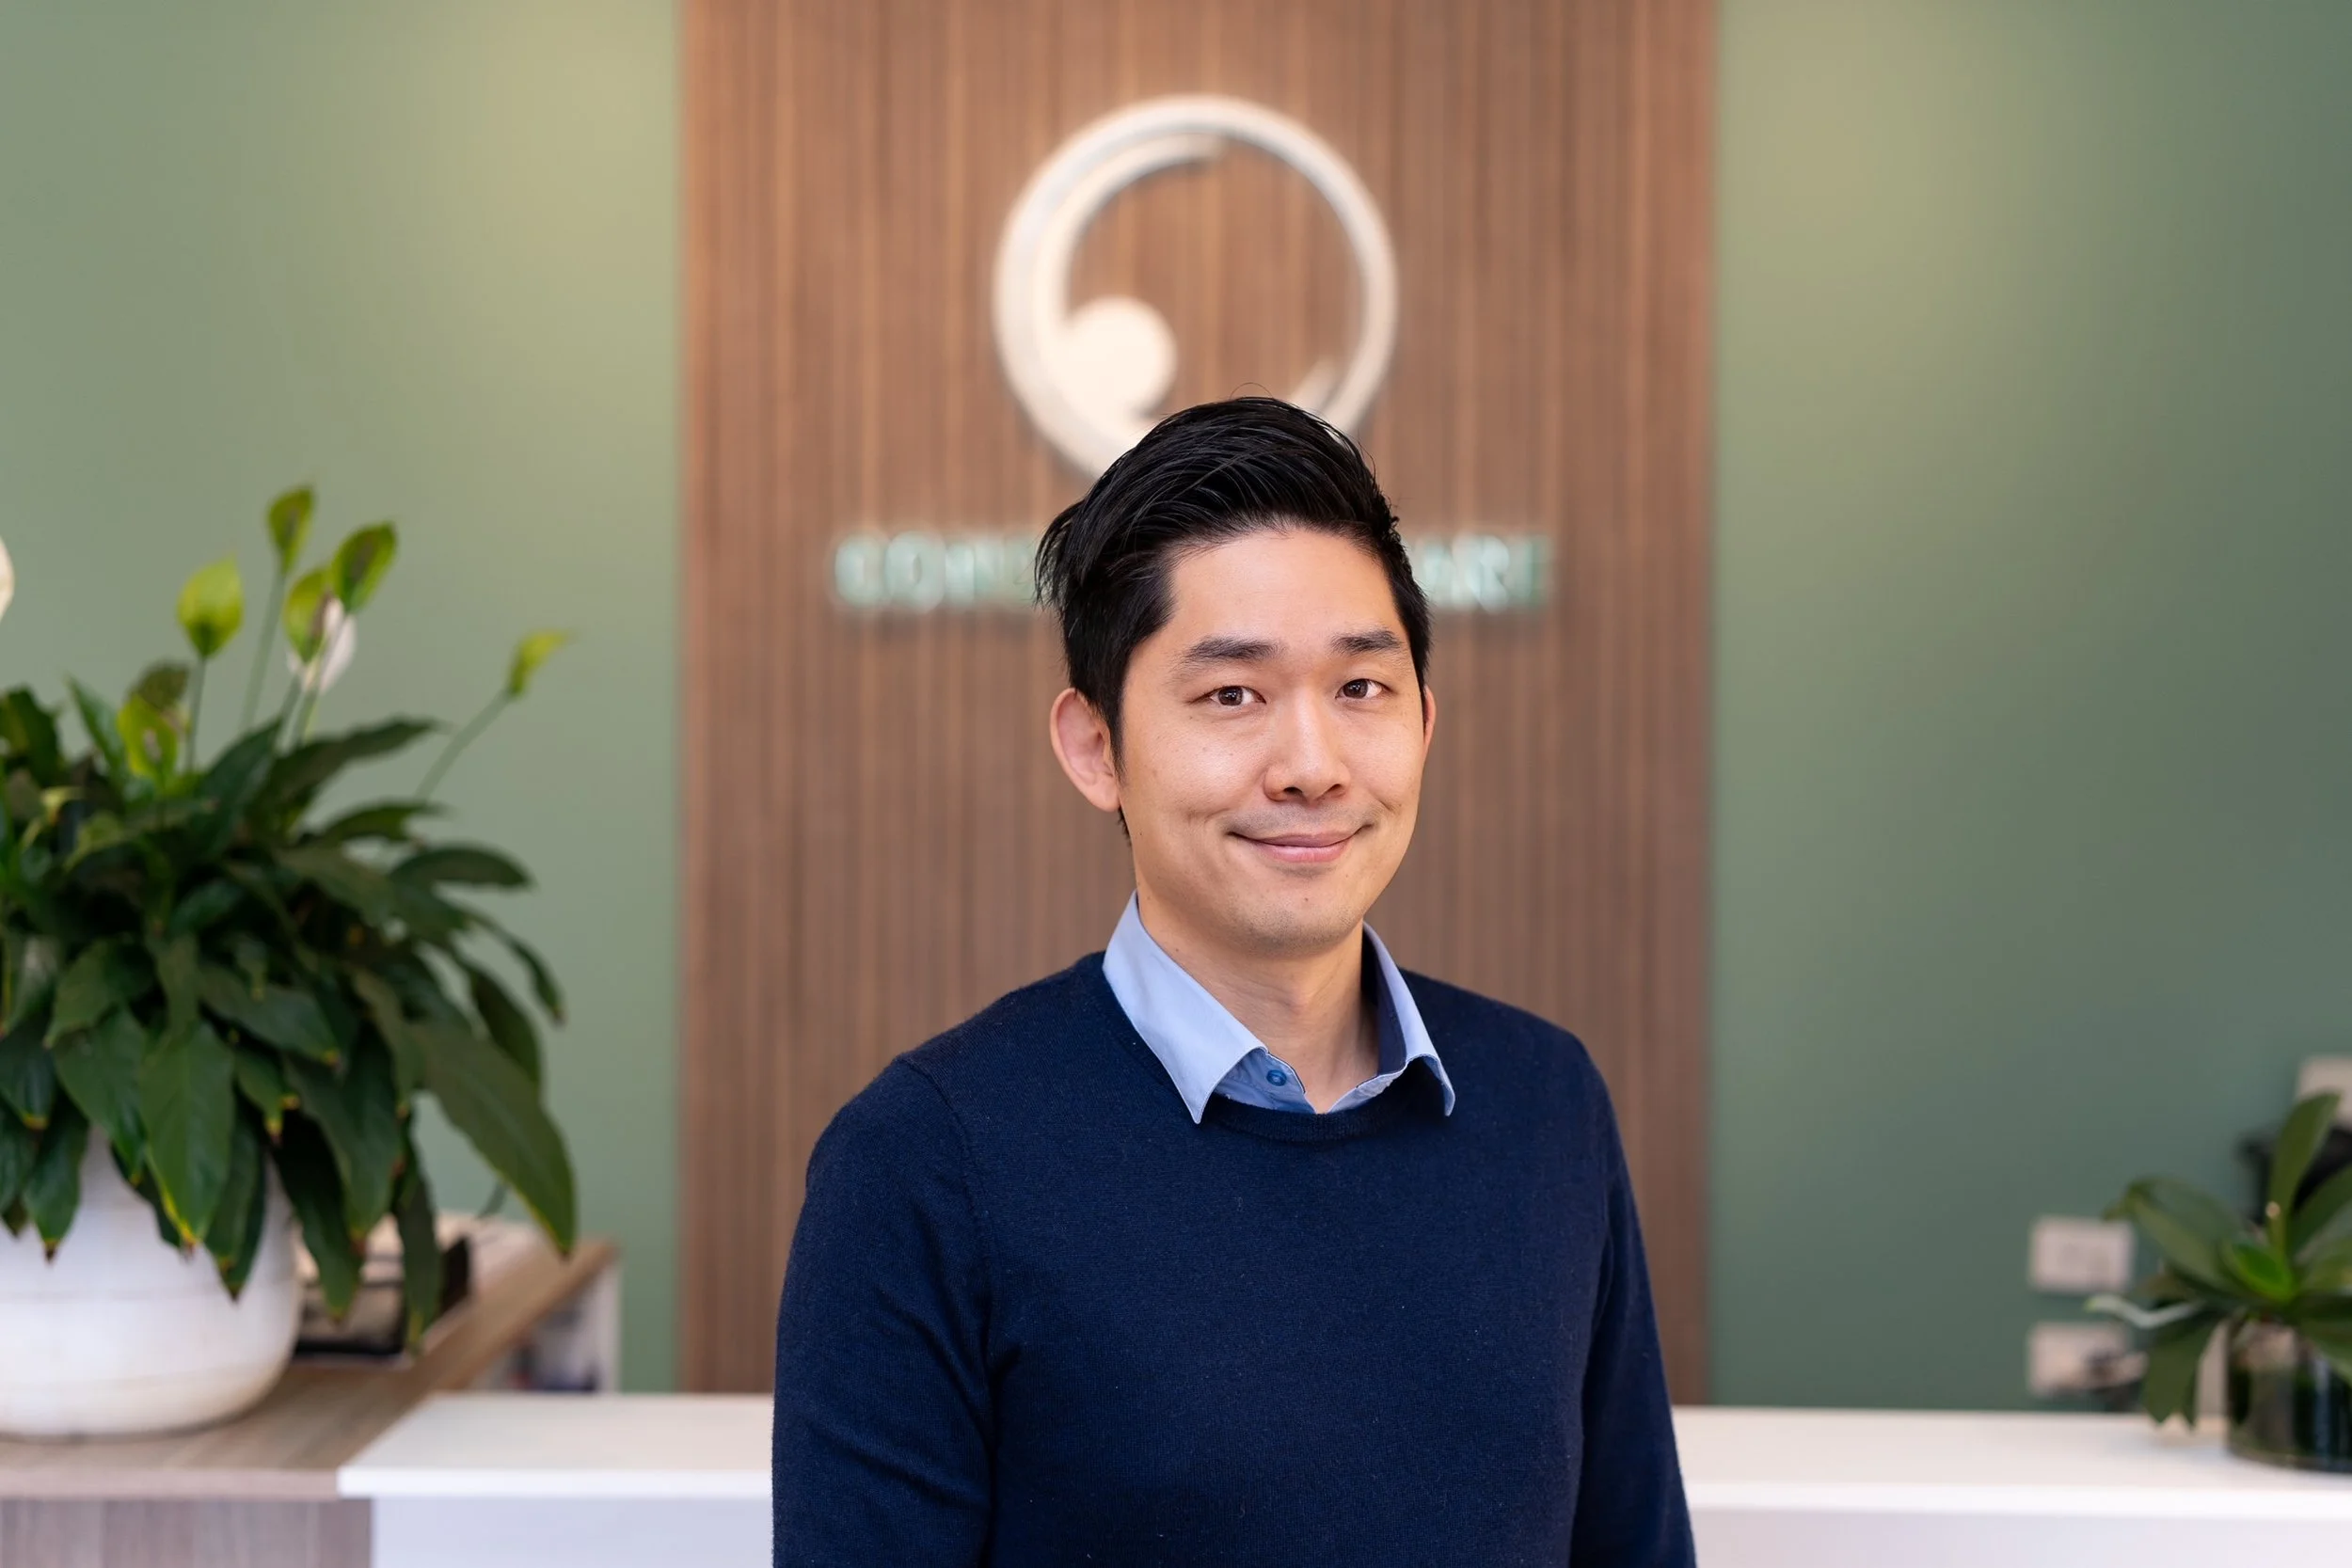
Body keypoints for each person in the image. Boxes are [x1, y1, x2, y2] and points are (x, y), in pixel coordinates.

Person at [771, 397, 1694, 1566]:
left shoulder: (1544, 1100)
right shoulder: (922, 1160)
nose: (1311, 765)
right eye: (1231, 695)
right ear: (1094, 746)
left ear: (1424, 722)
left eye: (1361, 688)